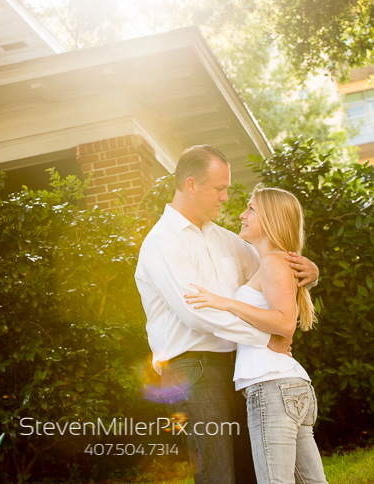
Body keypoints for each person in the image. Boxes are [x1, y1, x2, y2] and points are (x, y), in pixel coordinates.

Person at [134, 145, 319, 484]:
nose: (226, 197)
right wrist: (268, 336)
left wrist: (309, 271)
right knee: (218, 473)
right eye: (220, 189)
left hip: (240, 368)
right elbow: (197, 315)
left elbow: (272, 268)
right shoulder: (163, 242)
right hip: (194, 369)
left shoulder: (229, 240)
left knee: (252, 470)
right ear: (192, 185)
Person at [185, 186, 327, 484]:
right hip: (288, 385)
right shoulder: (273, 262)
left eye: (251, 209)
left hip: (271, 387)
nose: (241, 214)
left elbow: (285, 323)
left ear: (272, 219)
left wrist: (226, 303)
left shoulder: (274, 262)